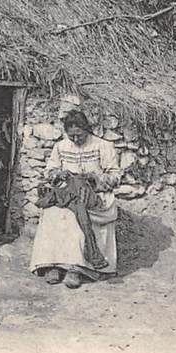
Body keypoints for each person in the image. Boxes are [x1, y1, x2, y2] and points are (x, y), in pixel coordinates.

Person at [30, 110, 121, 289]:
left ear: (87, 130)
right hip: (68, 193)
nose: (76, 140)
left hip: (94, 195)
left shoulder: (102, 146)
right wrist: (58, 174)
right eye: (72, 136)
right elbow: (50, 170)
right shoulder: (61, 147)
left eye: (79, 135)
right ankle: (53, 265)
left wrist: (94, 178)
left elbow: (115, 176)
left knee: (78, 215)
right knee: (52, 212)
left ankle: (75, 268)